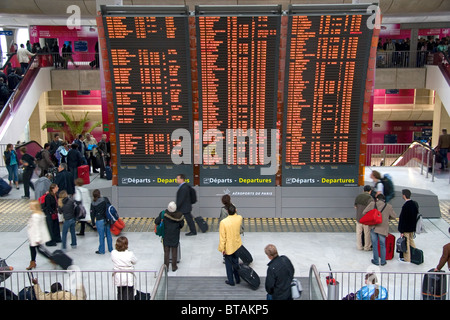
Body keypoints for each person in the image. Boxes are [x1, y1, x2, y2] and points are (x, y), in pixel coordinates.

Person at [363, 194, 397, 266]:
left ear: (377, 199)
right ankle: (383, 261)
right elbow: (394, 216)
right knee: (382, 245)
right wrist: (387, 218)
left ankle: (376, 261)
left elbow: (364, 212)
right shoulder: (388, 206)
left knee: (374, 244)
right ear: (384, 199)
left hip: (373, 227)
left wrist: (372, 216)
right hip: (383, 228)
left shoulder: (372, 204)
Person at [155, 201, 184, 272]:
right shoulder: (179, 215)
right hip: (175, 235)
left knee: (166, 251)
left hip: (166, 235)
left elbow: (156, 221)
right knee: (174, 251)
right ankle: (174, 266)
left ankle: (166, 267)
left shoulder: (163, 214)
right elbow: (181, 225)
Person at [218, 204, 242, 286]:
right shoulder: (239, 218)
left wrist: (222, 249)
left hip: (228, 247)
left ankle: (231, 281)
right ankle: (238, 279)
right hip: (237, 244)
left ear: (227, 211)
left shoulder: (223, 222)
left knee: (228, 265)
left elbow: (222, 237)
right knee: (236, 263)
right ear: (235, 210)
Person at [26, 201, 51, 270]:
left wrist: (37, 238)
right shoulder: (39, 214)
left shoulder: (35, 216)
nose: (30, 206)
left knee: (38, 249)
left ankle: (51, 259)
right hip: (35, 236)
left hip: (35, 236)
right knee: (34, 248)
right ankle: (33, 262)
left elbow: (36, 228)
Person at [397, 189, 418, 263]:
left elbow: (402, 219)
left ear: (404, 195)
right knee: (411, 241)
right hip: (412, 227)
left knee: (406, 243)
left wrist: (401, 230)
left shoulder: (405, 206)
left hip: (406, 228)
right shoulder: (414, 204)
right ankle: (415, 255)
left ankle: (407, 259)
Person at [91, 189, 113, 254]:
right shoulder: (105, 199)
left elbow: (92, 214)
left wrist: (93, 223)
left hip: (99, 221)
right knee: (108, 235)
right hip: (106, 219)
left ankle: (101, 250)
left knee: (101, 236)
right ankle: (110, 249)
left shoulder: (93, 203)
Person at [354, 185, 374, 251]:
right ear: (370, 191)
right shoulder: (370, 198)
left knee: (359, 233)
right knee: (367, 233)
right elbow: (372, 209)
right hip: (366, 219)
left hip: (358, 218)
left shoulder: (358, 197)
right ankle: (367, 247)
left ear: (363, 190)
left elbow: (355, 207)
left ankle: (359, 246)